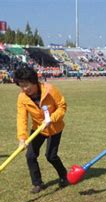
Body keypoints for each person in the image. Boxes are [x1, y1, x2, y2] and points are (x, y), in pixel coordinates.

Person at [14, 65, 68, 193]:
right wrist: (22, 138)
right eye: (21, 86)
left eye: (26, 85)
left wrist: (52, 118)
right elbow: (21, 118)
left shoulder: (49, 90)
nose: (24, 89)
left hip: (55, 128)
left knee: (51, 156)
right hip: (38, 128)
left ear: (34, 81)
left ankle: (64, 176)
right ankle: (38, 183)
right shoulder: (22, 97)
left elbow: (62, 106)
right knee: (30, 155)